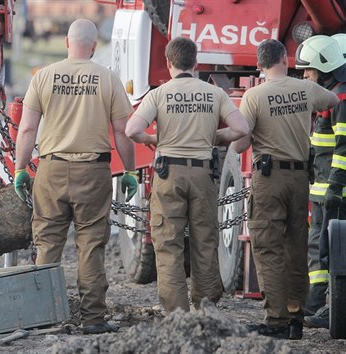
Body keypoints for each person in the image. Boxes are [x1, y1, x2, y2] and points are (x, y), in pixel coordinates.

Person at [13, 18, 136, 335]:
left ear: (67, 43)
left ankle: (42, 316)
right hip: (93, 171)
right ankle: (93, 318)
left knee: (48, 244)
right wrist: (130, 170)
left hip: (51, 170)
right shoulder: (108, 79)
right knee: (91, 246)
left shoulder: (43, 77)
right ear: (94, 46)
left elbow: (27, 129)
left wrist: (20, 168)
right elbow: (122, 131)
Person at [125, 37, 248, 315]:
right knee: (205, 240)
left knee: (168, 243)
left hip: (169, 173)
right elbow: (241, 128)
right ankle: (206, 307)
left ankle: (176, 313)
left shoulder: (158, 94)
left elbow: (132, 130)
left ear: (168, 63)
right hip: (203, 173)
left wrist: (153, 139)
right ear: (196, 63)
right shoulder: (214, 94)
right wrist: (216, 135)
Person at [233, 39, 338, 340]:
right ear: (285, 59)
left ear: (260, 65)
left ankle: (276, 320)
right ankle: (295, 318)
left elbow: (241, 142)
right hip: (299, 179)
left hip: (269, 178)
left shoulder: (254, 95)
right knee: (296, 248)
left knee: (268, 248)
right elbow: (332, 100)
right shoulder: (305, 89)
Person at [294, 35, 346, 325]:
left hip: (336, 192)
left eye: (308, 71)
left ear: (324, 69)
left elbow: (344, 147)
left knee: (332, 251)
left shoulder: (341, 99)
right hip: (321, 190)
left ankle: (332, 308)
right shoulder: (329, 96)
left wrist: (336, 187)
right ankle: (315, 303)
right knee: (318, 247)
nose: (304, 77)